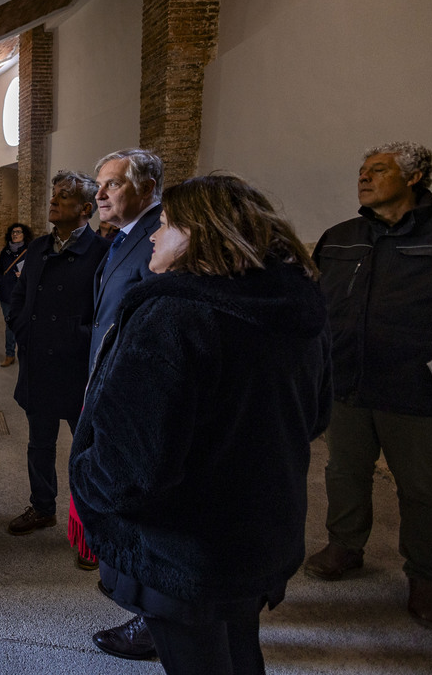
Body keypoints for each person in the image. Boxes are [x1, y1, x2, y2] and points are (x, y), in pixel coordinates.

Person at [70, 174, 333, 675]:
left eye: (166, 224)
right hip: (261, 531)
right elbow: (316, 415)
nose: (153, 235)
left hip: (184, 549)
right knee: (238, 647)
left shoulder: (175, 316)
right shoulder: (296, 306)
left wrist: (87, 480)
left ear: (201, 233)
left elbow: (130, 466)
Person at [305, 142, 432, 631]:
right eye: (362, 170)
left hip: (416, 388)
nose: (364, 178)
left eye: (378, 170)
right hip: (345, 379)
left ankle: (428, 576)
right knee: (344, 470)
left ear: (415, 176)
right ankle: (345, 544)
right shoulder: (341, 236)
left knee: (424, 487)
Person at [77, 148, 165, 657]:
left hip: (130, 392)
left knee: (141, 506)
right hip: (106, 381)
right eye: (99, 185)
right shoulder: (123, 239)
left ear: (147, 187)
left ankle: (155, 620)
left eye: (112, 184)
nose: (100, 195)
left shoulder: (158, 239)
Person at [6, 171, 110, 536]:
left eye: (63, 196)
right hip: (38, 365)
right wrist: (23, 330)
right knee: (39, 444)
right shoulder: (37, 248)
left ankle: (89, 526)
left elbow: (108, 314)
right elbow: (17, 298)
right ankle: (42, 507)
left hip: (77, 367)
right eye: (54, 194)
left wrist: (75, 336)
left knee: (86, 451)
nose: (53, 200)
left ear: (85, 208)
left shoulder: (101, 253)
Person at [0, 222, 33, 367]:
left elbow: (35, 274)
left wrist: (24, 276)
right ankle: (9, 354)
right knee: (10, 325)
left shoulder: (30, 251)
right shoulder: (6, 251)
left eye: (18, 232)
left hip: (23, 293)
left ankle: (25, 354)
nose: (15, 234)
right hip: (6, 293)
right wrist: (1, 281)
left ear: (24, 235)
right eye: (13, 232)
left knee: (24, 324)